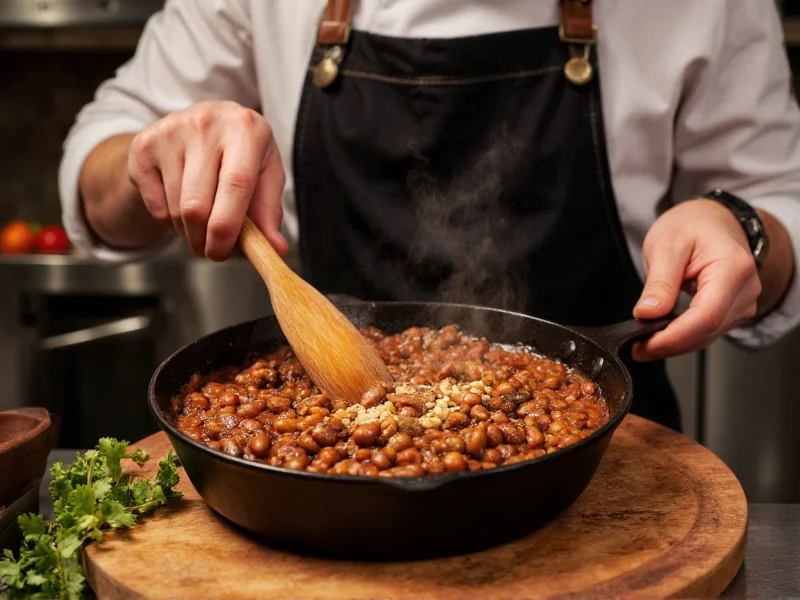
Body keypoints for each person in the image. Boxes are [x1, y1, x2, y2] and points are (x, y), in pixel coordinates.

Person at [59, 0, 800, 431]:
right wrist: (147, 160)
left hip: (616, 450)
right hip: (315, 516)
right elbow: (96, 175)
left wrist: (747, 229)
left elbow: (780, 200)